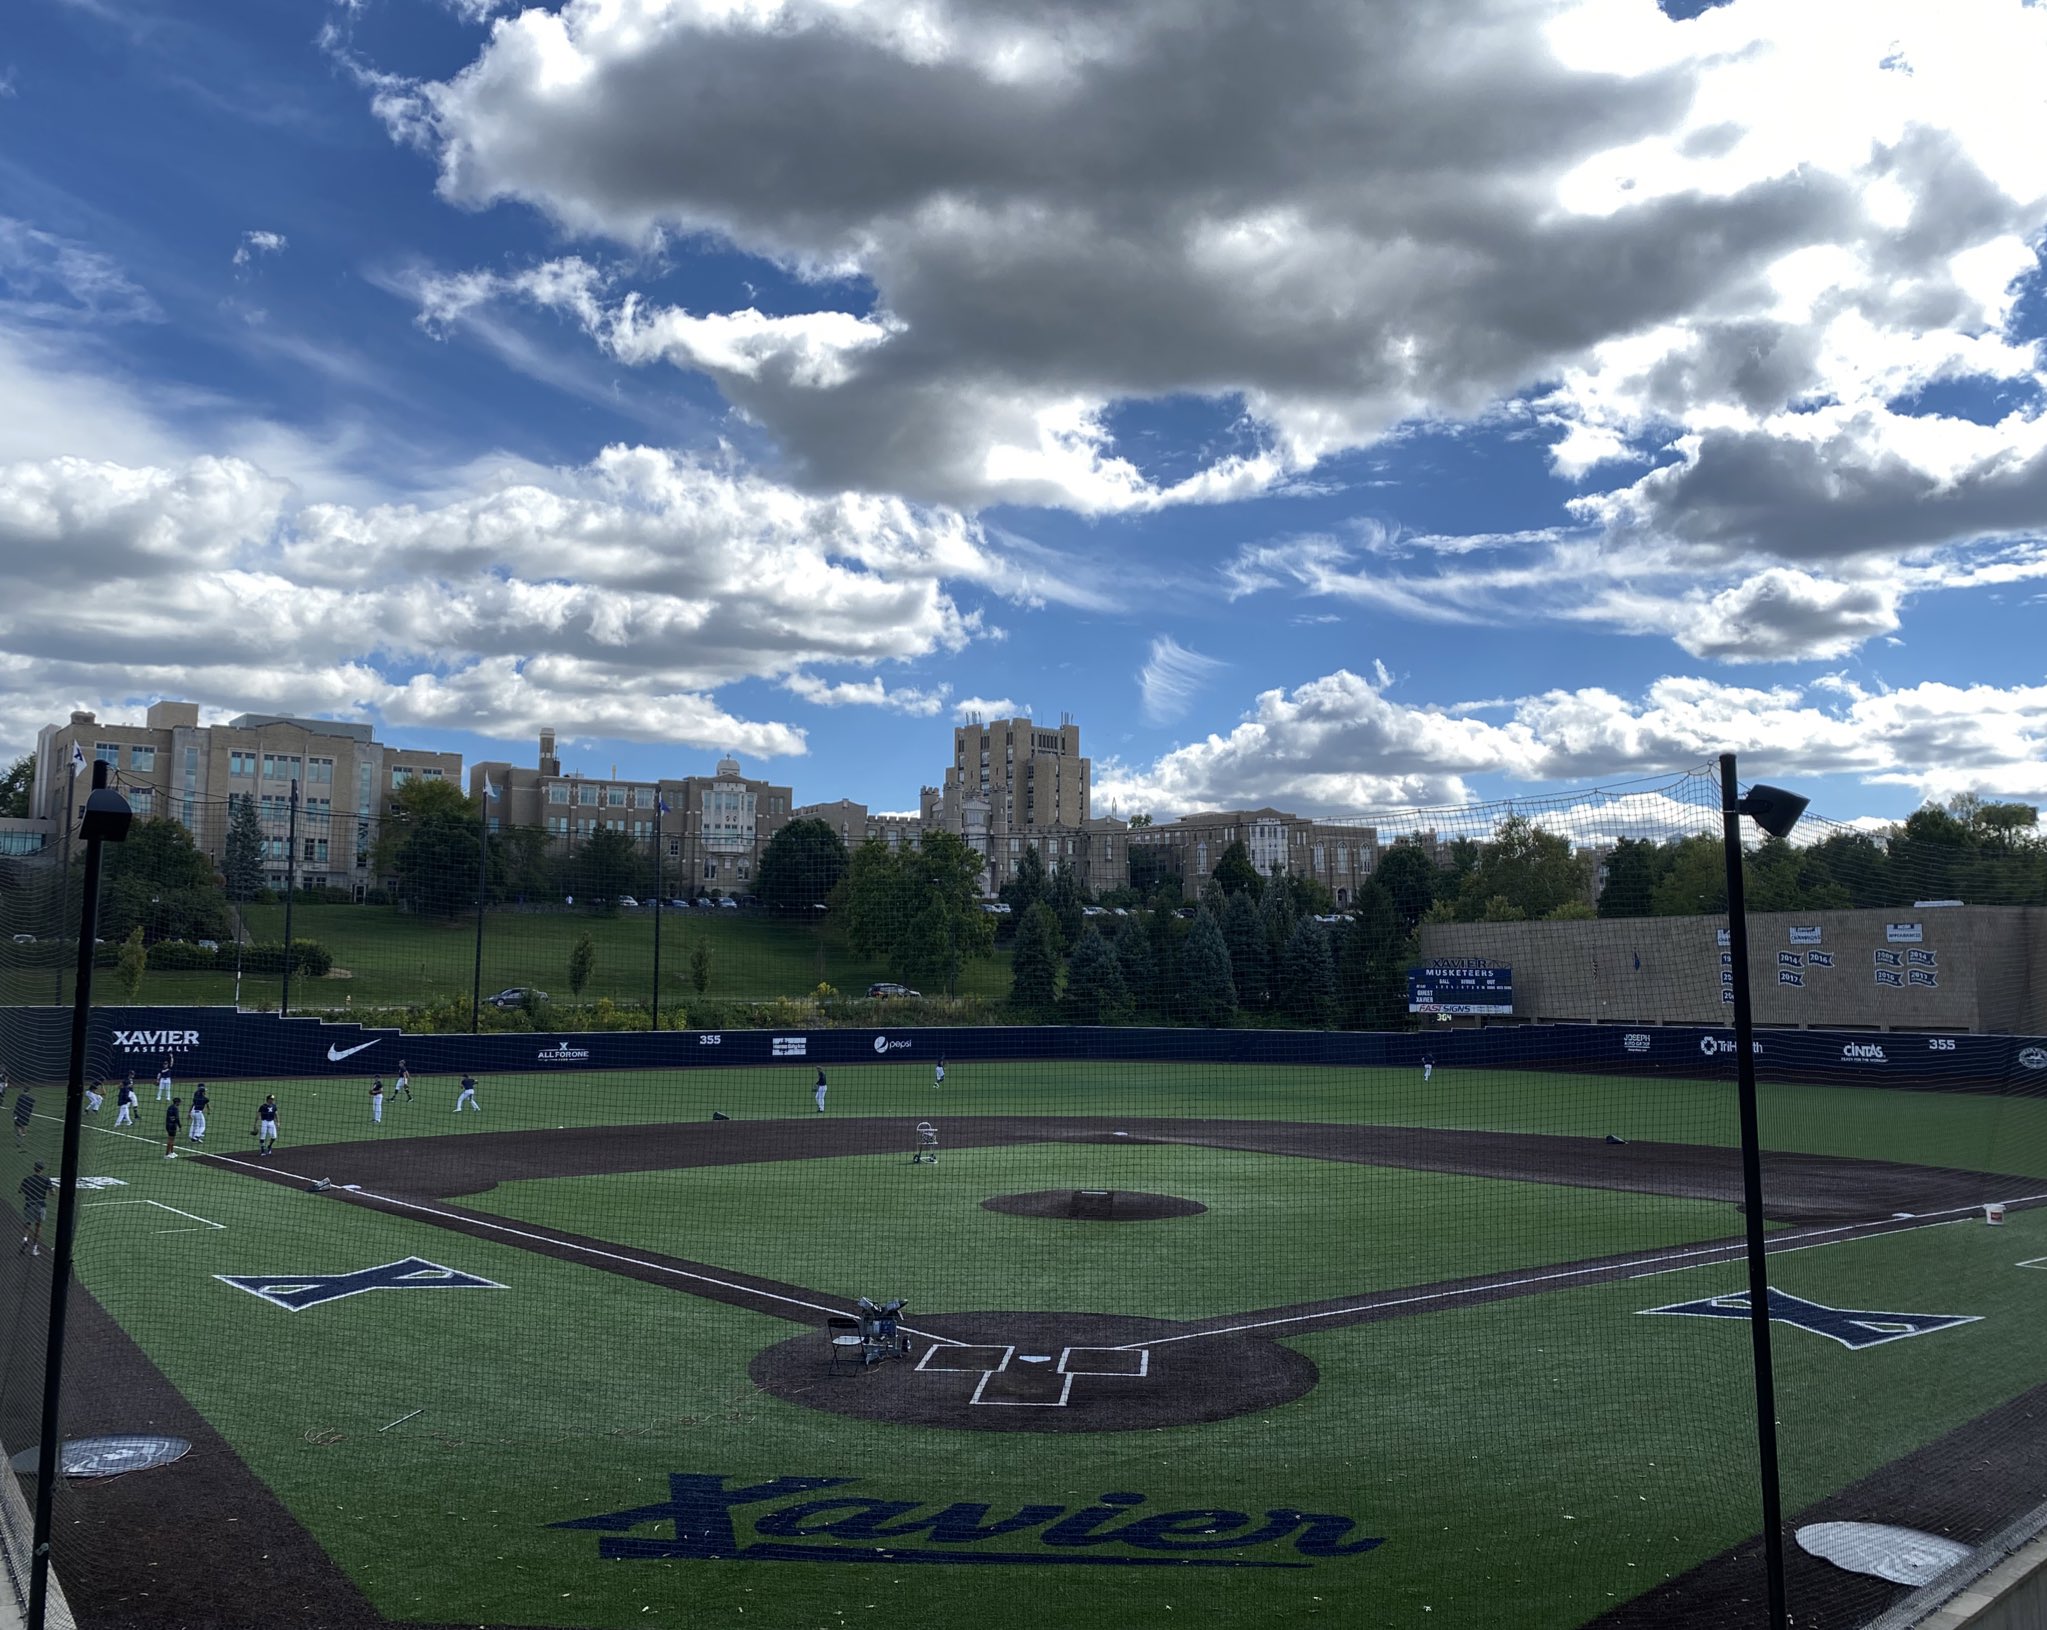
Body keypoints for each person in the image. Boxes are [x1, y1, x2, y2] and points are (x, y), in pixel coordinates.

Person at [17, 1162, 50, 1257]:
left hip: (29, 1204)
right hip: (40, 1204)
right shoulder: (46, 1179)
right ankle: (34, 1249)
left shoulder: (27, 1179)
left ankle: (25, 1239)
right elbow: (52, 1192)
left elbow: (20, 1190)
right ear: (42, 1169)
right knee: (38, 1226)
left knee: (28, 1223)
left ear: (34, 1168)